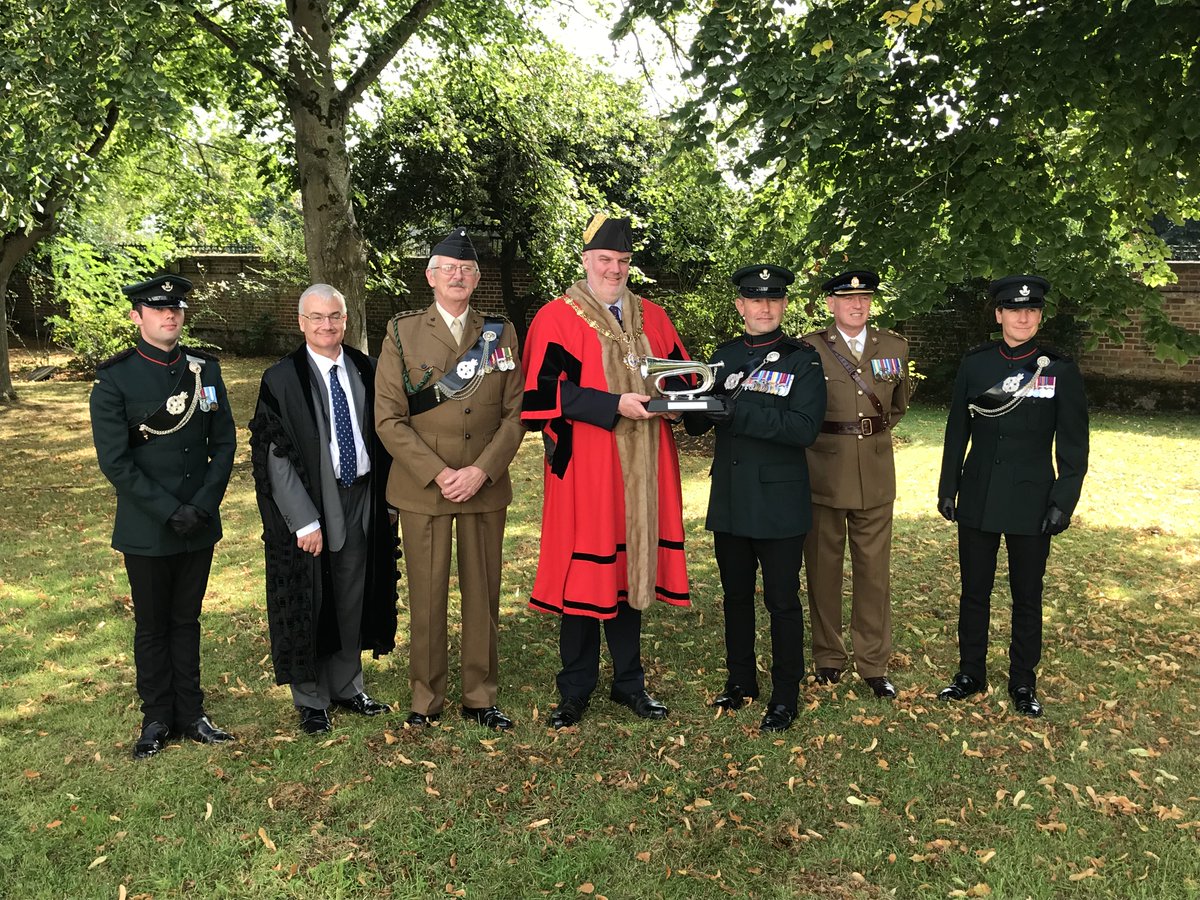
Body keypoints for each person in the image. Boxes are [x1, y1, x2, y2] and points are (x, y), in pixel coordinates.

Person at [522, 213, 691, 729]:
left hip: (645, 465)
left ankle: (629, 684)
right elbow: (541, 396)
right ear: (585, 261)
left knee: (629, 567)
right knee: (584, 574)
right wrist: (614, 403)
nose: (613, 269)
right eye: (604, 260)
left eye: (621, 261)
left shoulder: (653, 318)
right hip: (587, 468)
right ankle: (574, 689)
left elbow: (684, 377)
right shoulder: (556, 317)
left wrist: (690, 401)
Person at [374, 228, 524, 731]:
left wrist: (481, 470)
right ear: (431, 275)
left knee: (483, 593)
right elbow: (389, 419)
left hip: (483, 484)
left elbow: (516, 413)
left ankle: (481, 696)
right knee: (427, 592)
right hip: (425, 486)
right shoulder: (401, 331)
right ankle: (426, 697)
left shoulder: (500, 332)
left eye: (467, 269)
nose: (458, 276)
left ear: (477, 277)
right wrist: (440, 474)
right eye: (448, 268)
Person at [89, 274, 237, 759]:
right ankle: (156, 718)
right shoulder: (115, 378)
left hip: (198, 518)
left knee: (187, 619)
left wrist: (202, 504)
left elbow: (225, 441)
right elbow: (115, 460)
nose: (169, 316)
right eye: (157, 310)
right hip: (148, 524)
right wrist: (169, 509)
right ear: (137, 316)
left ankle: (192, 713)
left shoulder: (204, 370)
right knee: (153, 623)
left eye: (175, 309)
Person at [936, 275, 1089, 717]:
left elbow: (1074, 444)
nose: (1024, 316)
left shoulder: (1058, 368)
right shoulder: (977, 364)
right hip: (979, 493)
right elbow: (956, 432)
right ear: (999, 314)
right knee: (974, 591)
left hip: (1032, 499)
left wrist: (1064, 499)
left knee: (1027, 594)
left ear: (1040, 315)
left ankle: (1023, 681)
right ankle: (970, 673)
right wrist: (949, 487)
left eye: (1033, 309)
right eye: (1014, 309)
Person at [249, 284, 398, 735]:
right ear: (301, 322)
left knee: (353, 592)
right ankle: (311, 699)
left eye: (334, 316)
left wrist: (390, 500)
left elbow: (389, 435)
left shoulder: (368, 369)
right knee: (310, 596)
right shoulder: (281, 379)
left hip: (364, 495)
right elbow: (274, 455)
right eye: (316, 317)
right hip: (315, 499)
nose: (326, 325)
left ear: (346, 319)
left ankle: (348, 686)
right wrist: (304, 519)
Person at [685, 265, 826, 731]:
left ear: (784, 305)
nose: (764, 307)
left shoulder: (802, 361)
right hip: (730, 497)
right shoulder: (723, 357)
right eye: (754, 299)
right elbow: (700, 422)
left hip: (780, 505)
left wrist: (737, 412)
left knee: (783, 602)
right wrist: (688, 403)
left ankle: (786, 695)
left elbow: (803, 429)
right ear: (740, 306)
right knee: (735, 596)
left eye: (773, 299)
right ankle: (740, 681)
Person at [802, 270, 910, 699]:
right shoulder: (809, 349)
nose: (857, 305)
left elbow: (897, 405)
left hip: (876, 471)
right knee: (823, 568)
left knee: (874, 572)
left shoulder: (894, 346)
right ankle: (828, 656)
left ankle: (872, 661)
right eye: (848, 299)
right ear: (830, 304)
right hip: (824, 469)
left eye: (864, 297)